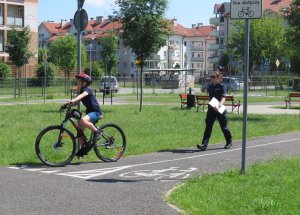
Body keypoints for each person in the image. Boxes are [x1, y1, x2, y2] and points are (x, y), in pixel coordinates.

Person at [67, 73, 102, 156]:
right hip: (90, 113)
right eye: (77, 82)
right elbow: (76, 102)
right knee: (79, 132)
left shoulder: (87, 90)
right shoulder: (82, 91)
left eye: (79, 82)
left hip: (96, 112)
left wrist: (73, 99)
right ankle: (85, 147)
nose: (77, 84)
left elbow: (81, 96)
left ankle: (98, 132)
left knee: (83, 120)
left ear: (84, 83)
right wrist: (68, 105)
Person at [197, 71, 232, 151]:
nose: (211, 78)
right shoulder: (209, 86)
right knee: (208, 127)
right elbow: (211, 98)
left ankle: (229, 142)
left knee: (224, 127)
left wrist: (218, 105)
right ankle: (204, 145)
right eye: (211, 77)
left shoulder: (221, 86)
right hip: (211, 109)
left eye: (213, 77)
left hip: (220, 108)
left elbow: (223, 98)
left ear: (217, 78)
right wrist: (211, 105)